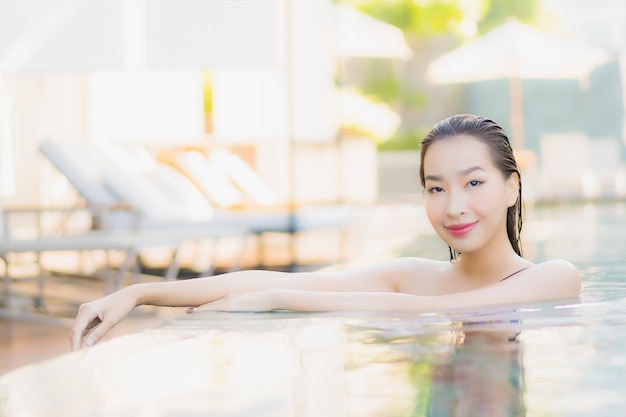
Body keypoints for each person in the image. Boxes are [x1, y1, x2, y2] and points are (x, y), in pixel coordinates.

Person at [70, 114, 580, 351]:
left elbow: (459, 312)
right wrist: (138, 292)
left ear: (512, 187)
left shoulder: (556, 277)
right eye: (436, 188)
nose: (455, 206)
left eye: (473, 183)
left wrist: (278, 299)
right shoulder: (414, 276)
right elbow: (260, 280)